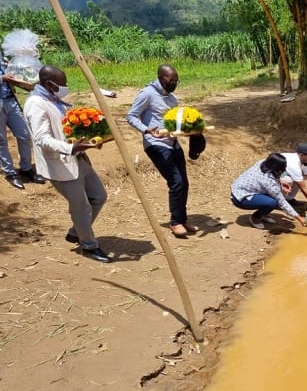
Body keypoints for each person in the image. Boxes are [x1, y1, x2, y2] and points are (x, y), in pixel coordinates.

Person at [23, 66, 111, 263]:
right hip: (61, 165)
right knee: (82, 208)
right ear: (49, 84)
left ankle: (75, 232)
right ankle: (89, 245)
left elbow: (66, 128)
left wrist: (89, 140)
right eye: (62, 84)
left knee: (99, 196)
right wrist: (70, 148)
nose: (65, 87)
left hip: (78, 160)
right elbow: (41, 139)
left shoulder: (54, 100)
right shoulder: (36, 104)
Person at [126, 64, 199, 238]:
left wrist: (192, 128)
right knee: (176, 182)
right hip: (155, 144)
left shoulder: (172, 98)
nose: (174, 83)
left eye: (176, 80)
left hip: (172, 143)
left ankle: (182, 219)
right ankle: (175, 223)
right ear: (161, 78)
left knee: (184, 183)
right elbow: (130, 116)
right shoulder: (147, 94)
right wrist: (146, 129)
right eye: (171, 80)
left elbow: (176, 121)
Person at [0, 48, 44, 189]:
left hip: (10, 100)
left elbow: (10, 66)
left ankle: (26, 168)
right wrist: (2, 79)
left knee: (24, 134)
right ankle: (10, 172)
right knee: (1, 141)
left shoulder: (1, 51)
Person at [231, 152, 307, 229]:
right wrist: (300, 219)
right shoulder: (268, 182)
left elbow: (274, 176)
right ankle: (255, 218)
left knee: (274, 196)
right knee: (273, 202)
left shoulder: (263, 163)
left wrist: (281, 183)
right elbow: (282, 202)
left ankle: (263, 214)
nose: (283, 170)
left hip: (240, 188)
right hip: (240, 197)